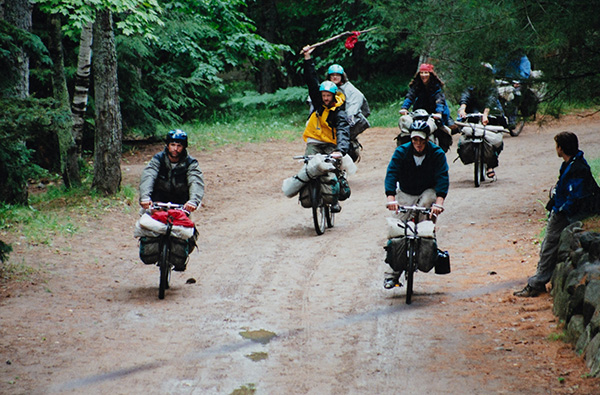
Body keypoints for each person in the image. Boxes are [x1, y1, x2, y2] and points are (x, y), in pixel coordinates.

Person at [514, 132, 600, 297]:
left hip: (567, 213)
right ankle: (542, 278)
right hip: (564, 209)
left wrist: (560, 211)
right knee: (548, 245)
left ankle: (537, 282)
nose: (556, 149)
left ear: (561, 148)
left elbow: (575, 195)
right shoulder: (572, 163)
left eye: (557, 146)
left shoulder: (577, 168)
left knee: (549, 246)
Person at [383, 119, 449, 288]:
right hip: (406, 192)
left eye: (421, 140)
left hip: (428, 191)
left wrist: (439, 204)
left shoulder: (437, 154)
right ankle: (393, 273)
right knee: (398, 231)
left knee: (427, 204)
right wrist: (391, 199)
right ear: (411, 139)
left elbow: (442, 178)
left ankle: (425, 247)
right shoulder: (401, 152)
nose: (418, 144)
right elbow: (391, 174)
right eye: (415, 140)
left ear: (428, 139)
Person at [301, 46, 351, 213]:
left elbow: (343, 131)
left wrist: (340, 150)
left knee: (333, 167)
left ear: (334, 95)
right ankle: (310, 193)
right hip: (315, 139)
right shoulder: (318, 101)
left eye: (328, 96)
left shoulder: (339, 111)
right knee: (308, 165)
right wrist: (307, 58)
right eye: (323, 96)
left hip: (331, 142)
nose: (325, 99)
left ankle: (334, 199)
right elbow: (311, 79)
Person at [139, 129, 205, 213]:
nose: (175, 149)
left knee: (187, 224)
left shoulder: (191, 163)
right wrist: (145, 197)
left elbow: (195, 181)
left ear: (184, 147)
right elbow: (148, 176)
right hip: (159, 199)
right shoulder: (158, 159)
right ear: (167, 145)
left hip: (182, 203)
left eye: (179, 146)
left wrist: (193, 201)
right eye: (172, 145)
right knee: (143, 222)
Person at [398, 63, 456, 151]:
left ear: (430, 74)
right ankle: (405, 152)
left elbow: (439, 100)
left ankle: (439, 153)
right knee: (406, 132)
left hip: (434, 113)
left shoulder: (436, 86)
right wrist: (404, 108)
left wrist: (438, 112)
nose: (423, 75)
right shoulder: (417, 85)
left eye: (426, 72)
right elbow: (410, 96)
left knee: (443, 132)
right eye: (422, 73)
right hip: (419, 112)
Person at [457, 81, 507, 180]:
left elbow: (491, 100)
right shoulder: (471, 86)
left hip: (491, 116)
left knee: (495, 141)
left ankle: (490, 165)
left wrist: (486, 114)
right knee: (465, 139)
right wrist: (462, 109)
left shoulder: (491, 88)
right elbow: (465, 97)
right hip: (473, 116)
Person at [326, 63, 371, 162]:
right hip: (328, 119)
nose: (335, 77)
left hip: (345, 119)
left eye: (337, 75)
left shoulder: (349, 89)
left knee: (344, 136)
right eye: (332, 75)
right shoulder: (325, 87)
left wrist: (350, 115)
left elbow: (356, 101)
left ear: (342, 76)